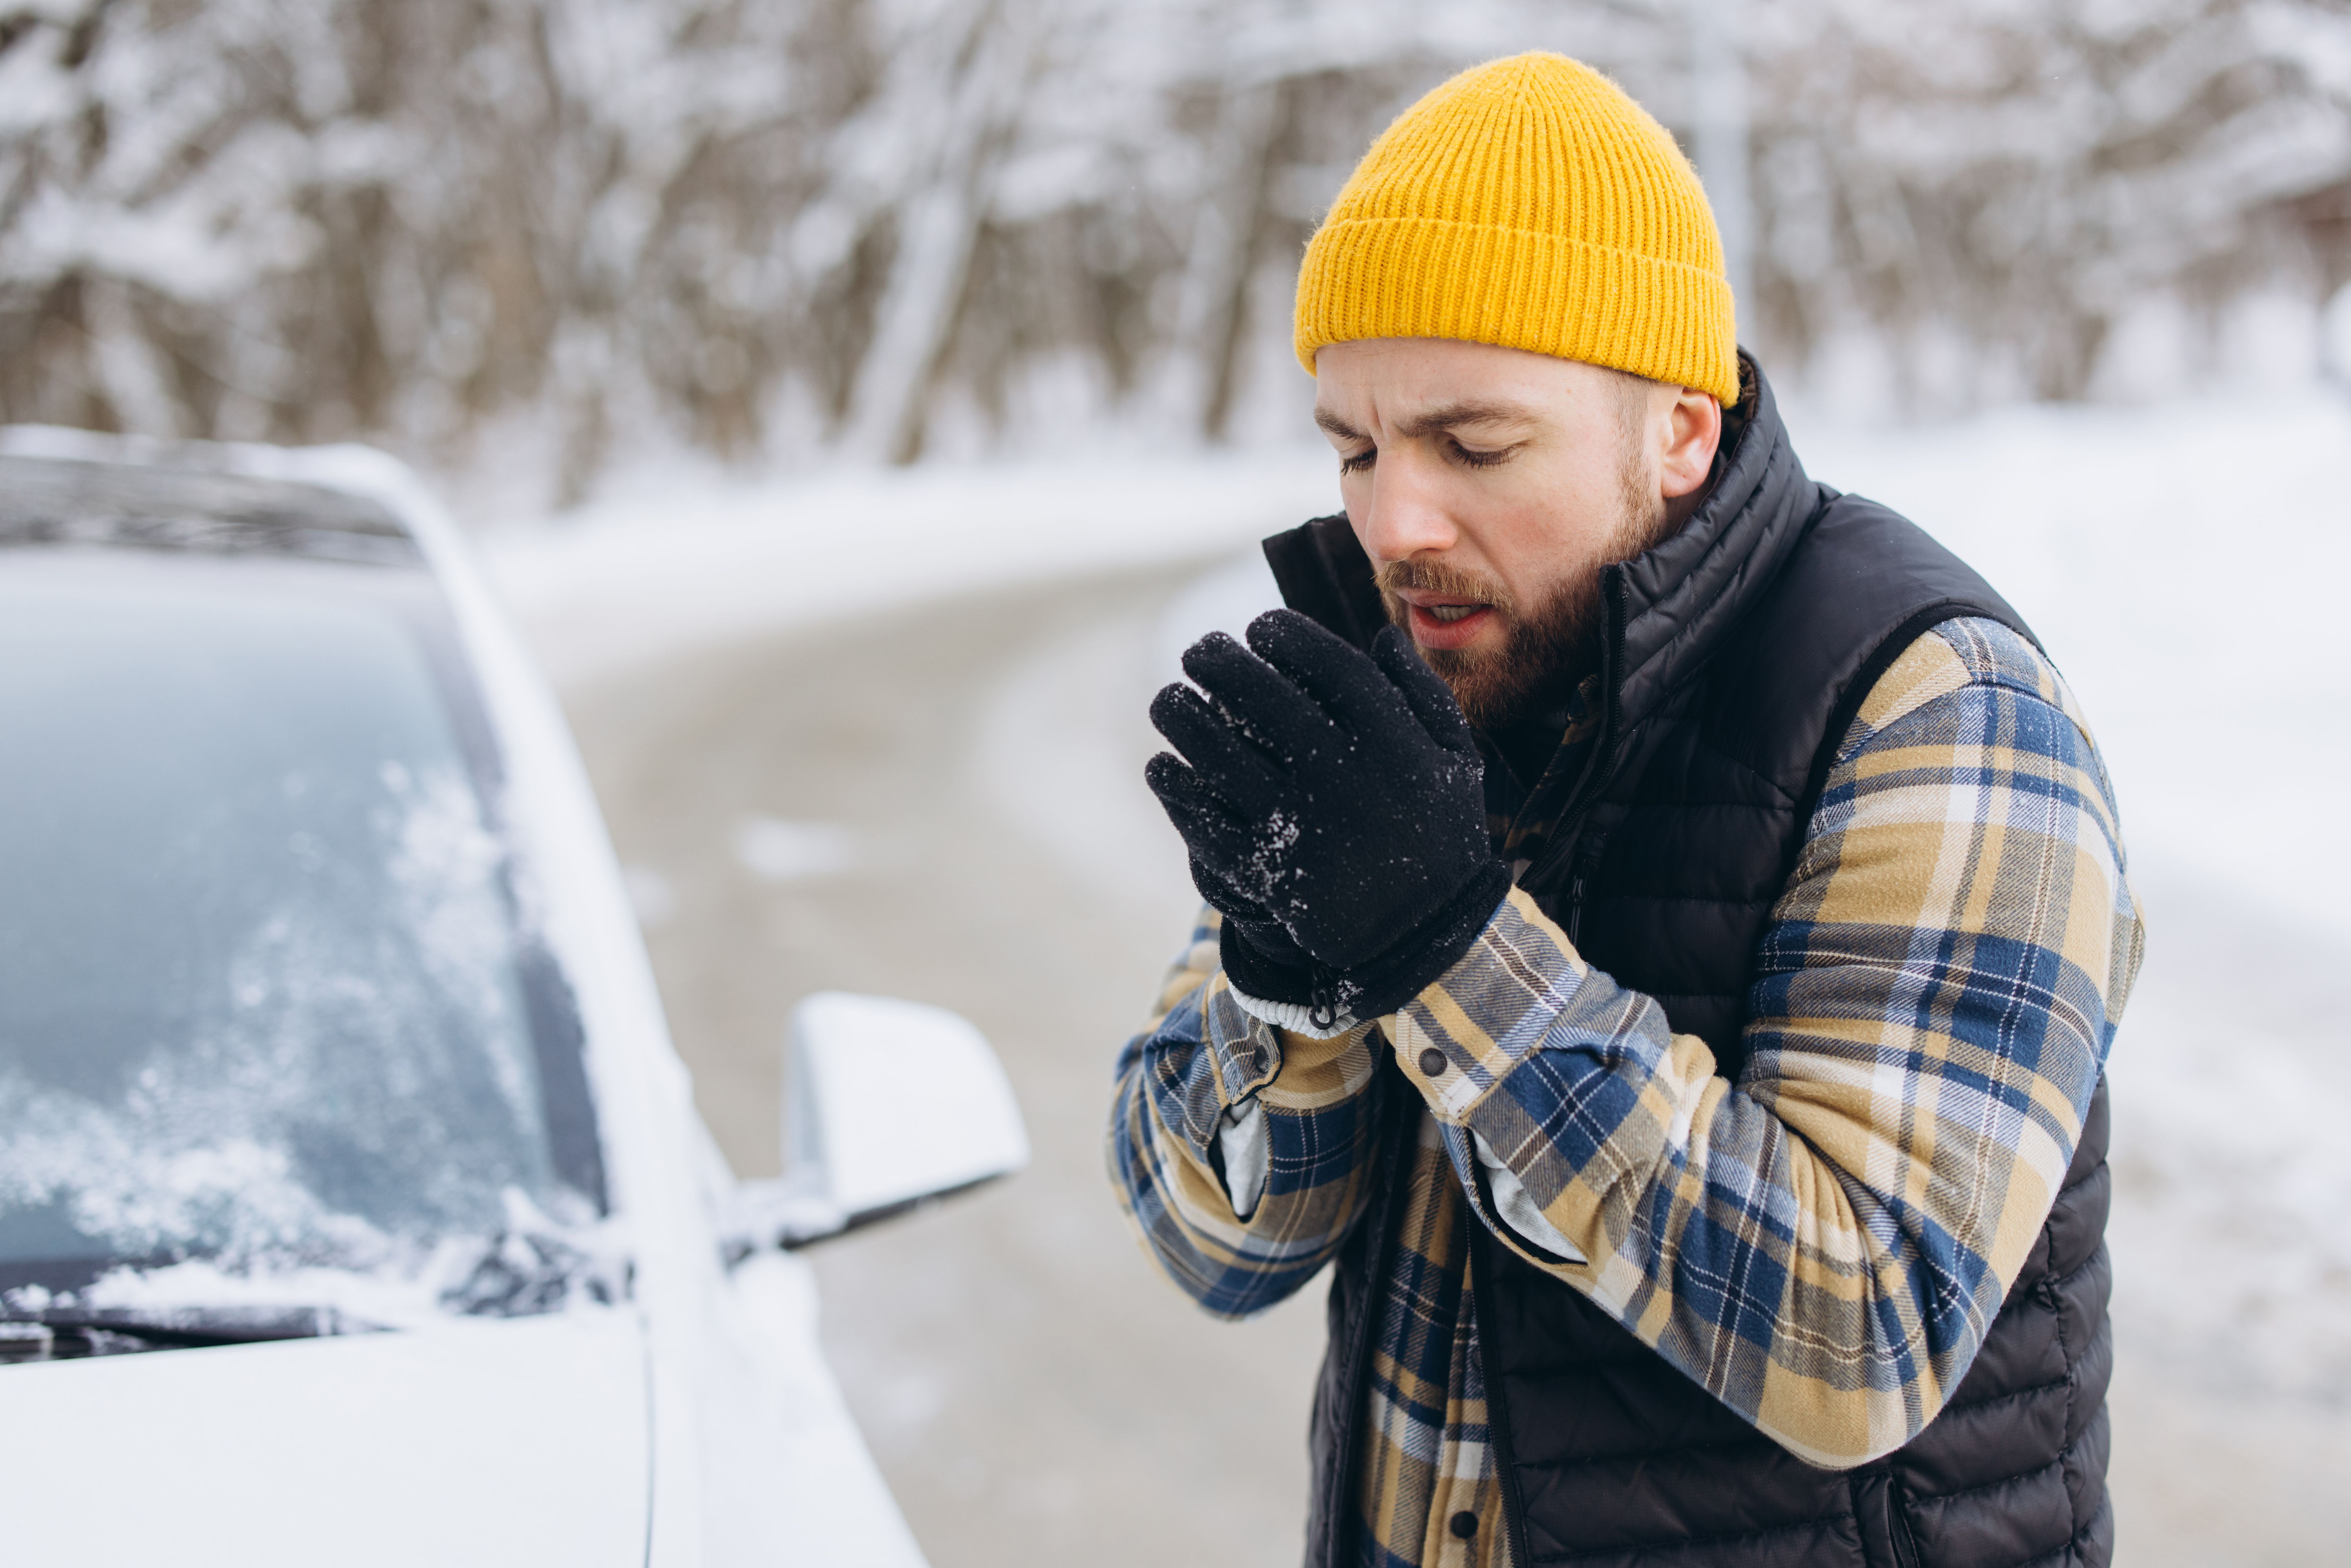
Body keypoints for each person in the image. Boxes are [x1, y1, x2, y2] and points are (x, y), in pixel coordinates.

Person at [1108, 51, 2144, 1568]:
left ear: (1679, 430)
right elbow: (1219, 1247)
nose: (1395, 522)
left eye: (1474, 445)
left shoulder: (1944, 713)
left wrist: (1448, 955)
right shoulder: (1417, 685)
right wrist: (1290, 981)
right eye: (1356, 447)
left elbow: (1866, 1336)